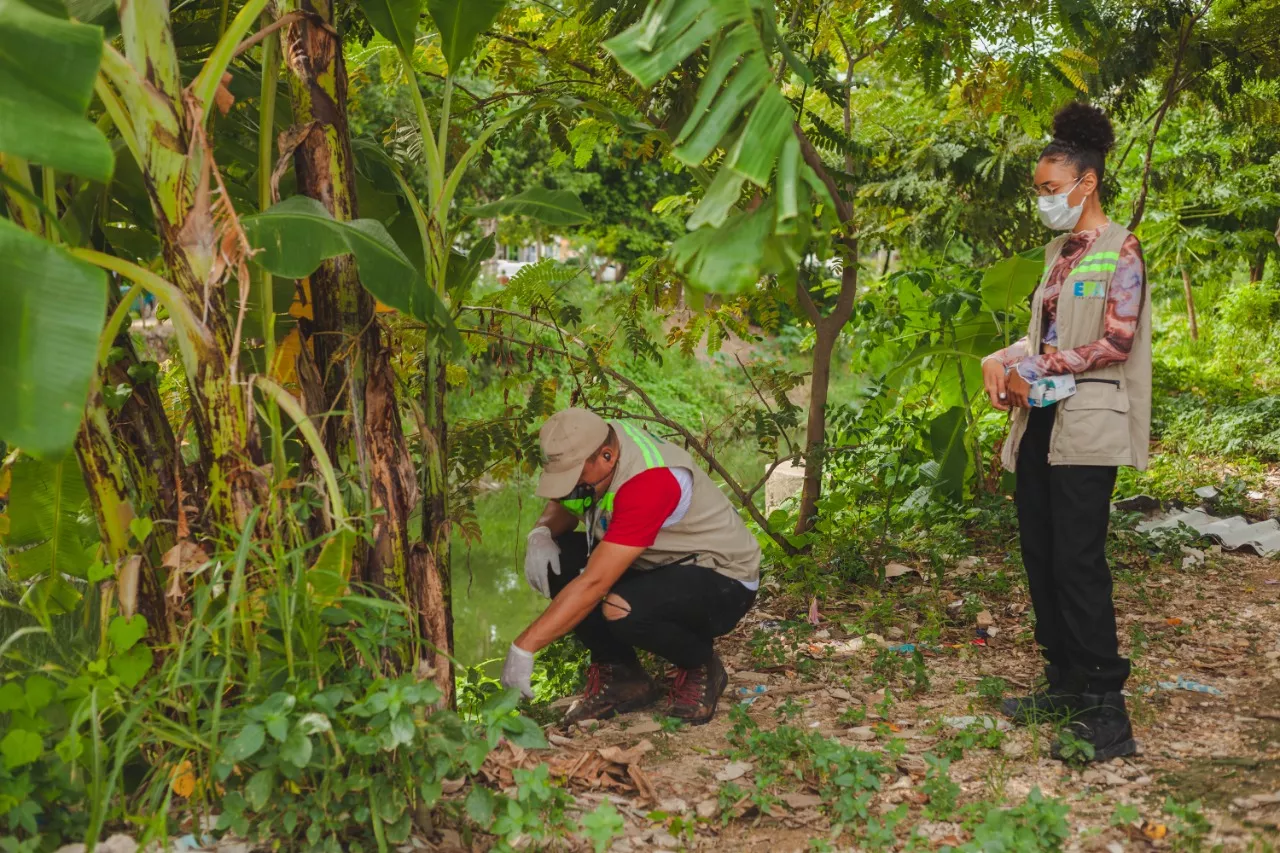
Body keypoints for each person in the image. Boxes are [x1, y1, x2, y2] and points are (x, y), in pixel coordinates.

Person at [981, 102, 1151, 762]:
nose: (1044, 201)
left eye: (1051, 190)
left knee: (1078, 561)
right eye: (1039, 191)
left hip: (1089, 420)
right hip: (1042, 417)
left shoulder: (1121, 250)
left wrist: (1037, 366)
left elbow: (1113, 341)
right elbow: (1048, 332)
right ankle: (1065, 682)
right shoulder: (1059, 251)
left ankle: (1108, 711)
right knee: (1041, 552)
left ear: (1086, 183)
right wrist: (1006, 357)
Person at [499, 408, 761, 725]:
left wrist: (524, 647)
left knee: (620, 609)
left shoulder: (649, 482)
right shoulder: (600, 441)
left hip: (722, 576)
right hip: (657, 559)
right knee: (558, 557)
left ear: (607, 456)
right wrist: (541, 533)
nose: (574, 487)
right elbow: (568, 500)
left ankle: (700, 665)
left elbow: (594, 584)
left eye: (577, 477)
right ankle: (623, 676)